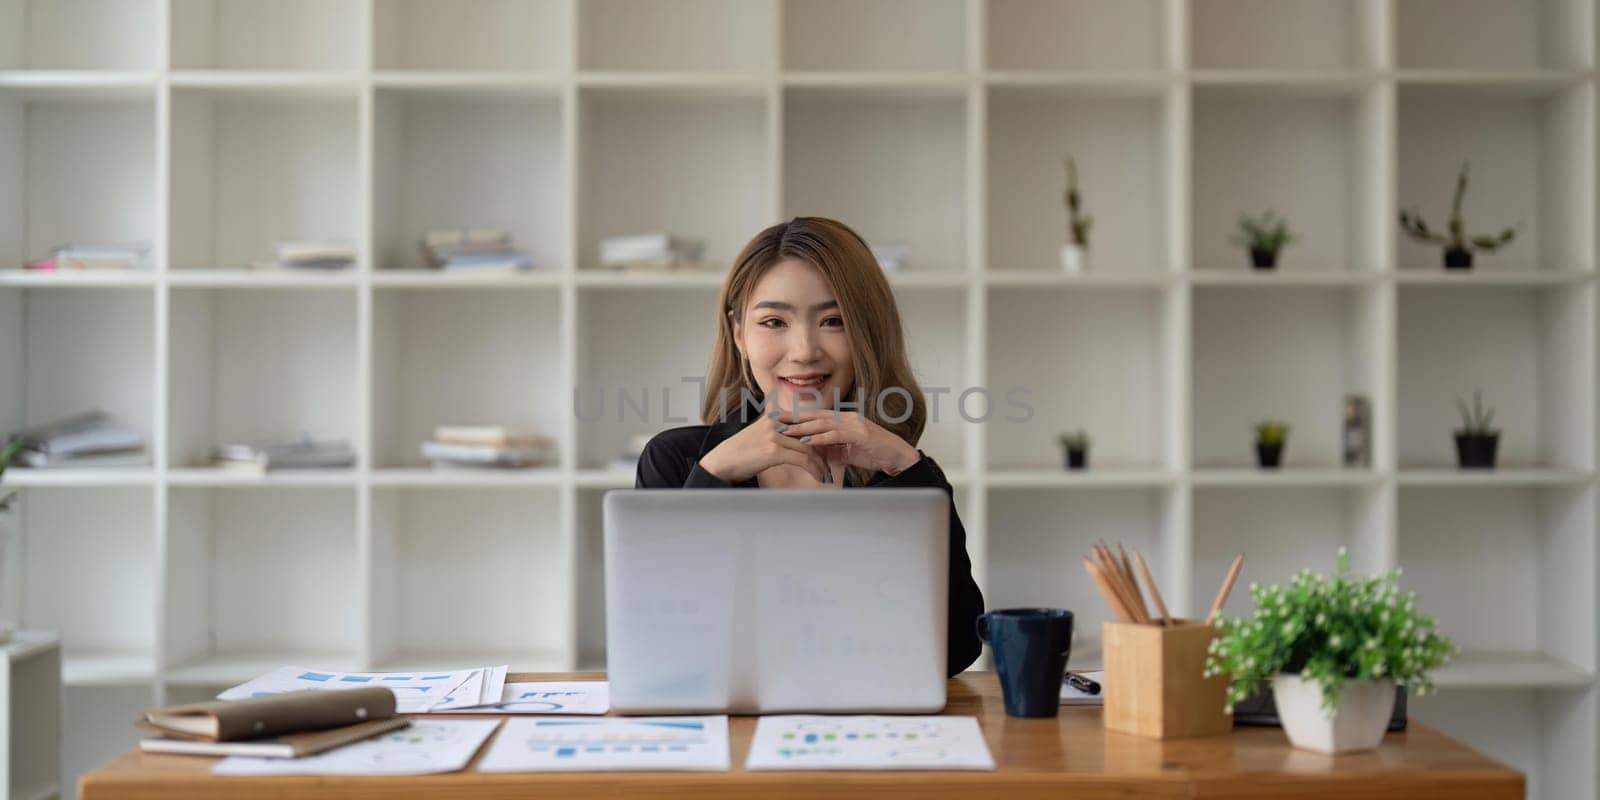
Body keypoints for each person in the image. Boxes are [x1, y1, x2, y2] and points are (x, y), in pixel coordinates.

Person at [634, 216, 985, 677]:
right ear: (740, 333)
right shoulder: (675, 461)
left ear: (869, 332)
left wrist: (910, 468)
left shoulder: (895, 470)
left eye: (833, 321)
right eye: (774, 321)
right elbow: (661, 650)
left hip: (868, 727)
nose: (804, 351)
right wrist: (712, 476)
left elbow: (955, 650)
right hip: (730, 734)